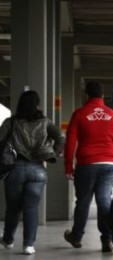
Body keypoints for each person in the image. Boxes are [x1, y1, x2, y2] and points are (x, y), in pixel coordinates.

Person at [63, 81, 113, 253]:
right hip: (108, 164)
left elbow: (70, 142)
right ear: (102, 96)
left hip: (86, 164)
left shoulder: (79, 114)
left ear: (87, 95)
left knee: (83, 201)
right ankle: (107, 239)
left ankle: (76, 236)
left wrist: (68, 166)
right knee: (104, 201)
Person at [0, 90, 65, 255]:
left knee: (13, 208)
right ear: (37, 105)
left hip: (15, 169)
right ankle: (28, 245)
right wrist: (52, 154)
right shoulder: (45, 122)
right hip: (37, 170)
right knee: (31, 207)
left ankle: (8, 240)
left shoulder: (11, 122)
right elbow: (61, 138)